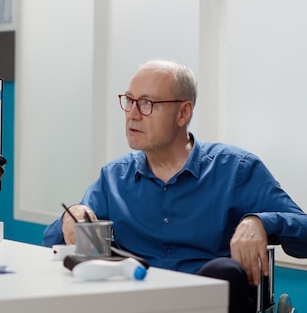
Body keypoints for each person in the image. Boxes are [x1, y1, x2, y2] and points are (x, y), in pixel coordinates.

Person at [43, 59, 307, 313]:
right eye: (129, 101)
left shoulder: (237, 169)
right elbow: (52, 243)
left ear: (183, 113)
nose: (133, 114)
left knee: (225, 271)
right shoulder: (114, 178)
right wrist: (73, 215)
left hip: (208, 302)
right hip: (135, 301)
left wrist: (261, 222)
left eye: (147, 103)